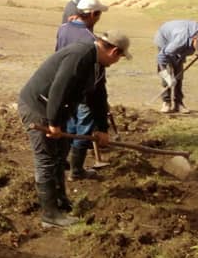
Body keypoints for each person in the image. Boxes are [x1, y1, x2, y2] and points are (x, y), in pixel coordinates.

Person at [18, 30, 130, 227]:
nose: (118, 60)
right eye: (121, 57)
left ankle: (60, 201)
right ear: (114, 52)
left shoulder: (97, 64)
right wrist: (53, 123)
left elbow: (98, 96)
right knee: (46, 159)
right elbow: (58, 89)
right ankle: (50, 215)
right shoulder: (80, 56)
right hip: (38, 107)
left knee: (60, 156)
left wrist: (102, 128)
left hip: (57, 109)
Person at [55, 0, 108, 179]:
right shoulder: (90, 39)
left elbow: (57, 54)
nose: (99, 18)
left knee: (69, 123)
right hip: (83, 89)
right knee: (84, 126)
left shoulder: (63, 29)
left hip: (65, 87)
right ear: (92, 14)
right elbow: (95, 74)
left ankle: (62, 162)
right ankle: (77, 170)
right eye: (98, 15)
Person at [154, 20, 198, 114]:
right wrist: (167, 78)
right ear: (194, 39)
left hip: (181, 41)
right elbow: (161, 58)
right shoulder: (179, 41)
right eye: (197, 46)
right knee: (167, 74)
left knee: (179, 73)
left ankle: (178, 103)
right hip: (164, 39)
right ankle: (166, 102)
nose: (196, 49)